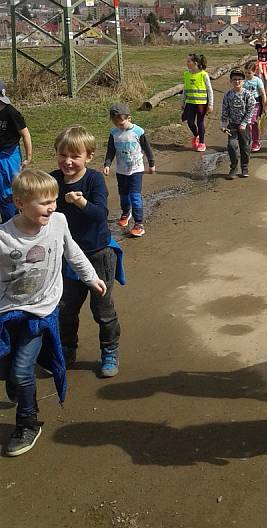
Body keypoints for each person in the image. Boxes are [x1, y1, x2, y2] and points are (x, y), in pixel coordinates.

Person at [0, 169, 106, 456]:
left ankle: (28, 423)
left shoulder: (58, 222)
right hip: (8, 313)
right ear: (19, 202)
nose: (52, 207)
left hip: (42, 312)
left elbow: (72, 252)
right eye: (44, 202)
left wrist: (90, 277)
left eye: (54, 200)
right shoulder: (4, 238)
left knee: (23, 371)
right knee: (9, 369)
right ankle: (16, 382)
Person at [51, 125, 122, 378]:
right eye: (63, 155)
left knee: (102, 310)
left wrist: (81, 202)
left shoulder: (93, 180)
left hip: (97, 255)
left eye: (75, 156)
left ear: (88, 157)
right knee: (66, 308)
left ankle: (109, 350)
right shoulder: (53, 180)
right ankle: (68, 348)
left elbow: (100, 215)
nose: (67, 161)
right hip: (66, 257)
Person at [103, 104, 155, 238]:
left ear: (129, 118)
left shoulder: (138, 132)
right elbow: (111, 150)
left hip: (136, 169)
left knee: (135, 196)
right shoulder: (114, 133)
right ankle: (126, 213)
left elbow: (147, 148)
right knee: (123, 195)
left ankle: (139, 224)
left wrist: (151, 163)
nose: (119, 126)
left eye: (121, 123)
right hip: (121, 170)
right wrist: (107, 164)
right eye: (116, 123)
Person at [0, 80, 33, 223]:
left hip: (9, 156)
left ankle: (13, 223)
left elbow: (25, 134)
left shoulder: (11, 113)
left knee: (10, 191)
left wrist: (28, 157)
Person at [221, 68, 255, 180]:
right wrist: (223, 124)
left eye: (239, 79)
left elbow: (250, 109)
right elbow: (225, 110)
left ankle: (244, 167)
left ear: (243, 81)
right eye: (234, 79)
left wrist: (244, 123)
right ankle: (233, 168)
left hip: (244, 126)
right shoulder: (228, 95)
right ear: (231, 81)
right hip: (232, 125)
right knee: (232, 146)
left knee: (245, 147)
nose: (237, 82)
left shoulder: (248, 94)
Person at [181, 53, 213, 153]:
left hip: (201, 103)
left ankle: (202, 143)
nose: (187, 63)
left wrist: (210, 104)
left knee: (200, 122)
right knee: (190, 121)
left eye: (188, 61)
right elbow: (185, 89)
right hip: (190, 102)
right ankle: (196, 135)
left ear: (195, 63)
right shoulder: (186, 74)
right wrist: (183, 102)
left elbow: (209, 90)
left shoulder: (204, 74)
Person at [243, 60, 267, 153]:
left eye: (249, 73)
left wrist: (265, 106)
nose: (247, 75)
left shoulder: (258, 80)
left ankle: (256, 142)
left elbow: (263, 94)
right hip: (245, 105)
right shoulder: (243, 81)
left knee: (252, 121)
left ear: (254, 72)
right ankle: (248, 140)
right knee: (247, 123)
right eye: (245, 73)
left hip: (256, 104)